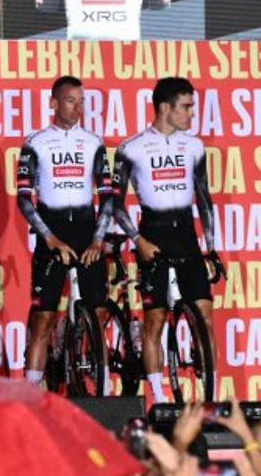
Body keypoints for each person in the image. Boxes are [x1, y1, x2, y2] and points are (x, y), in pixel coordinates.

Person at [112, 76, 221, 403]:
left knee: (204, 314)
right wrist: (136, 240)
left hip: (187, 236)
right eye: (186, 107)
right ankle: (158, 400)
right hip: (152, 235)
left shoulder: (194, 146)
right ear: (164, 107)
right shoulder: (130, 148)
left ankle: (210, 398)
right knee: (155, 319)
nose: (191, 114)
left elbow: (204, 198)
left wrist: (211, 247)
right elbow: (115, 205)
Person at [15, 76, 114, 388]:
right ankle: (30, 394)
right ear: (54, 103)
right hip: (52, 233)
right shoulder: (35, 142)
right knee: (43, 319)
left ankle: (101, 387)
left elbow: (108, 195)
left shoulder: (93, 142)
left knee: (98, 314)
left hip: (87, 232)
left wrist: (98, 238)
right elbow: (23, 197)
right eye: (72, 101)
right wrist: (50, 237)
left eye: (82, 101)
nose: (78, 107)